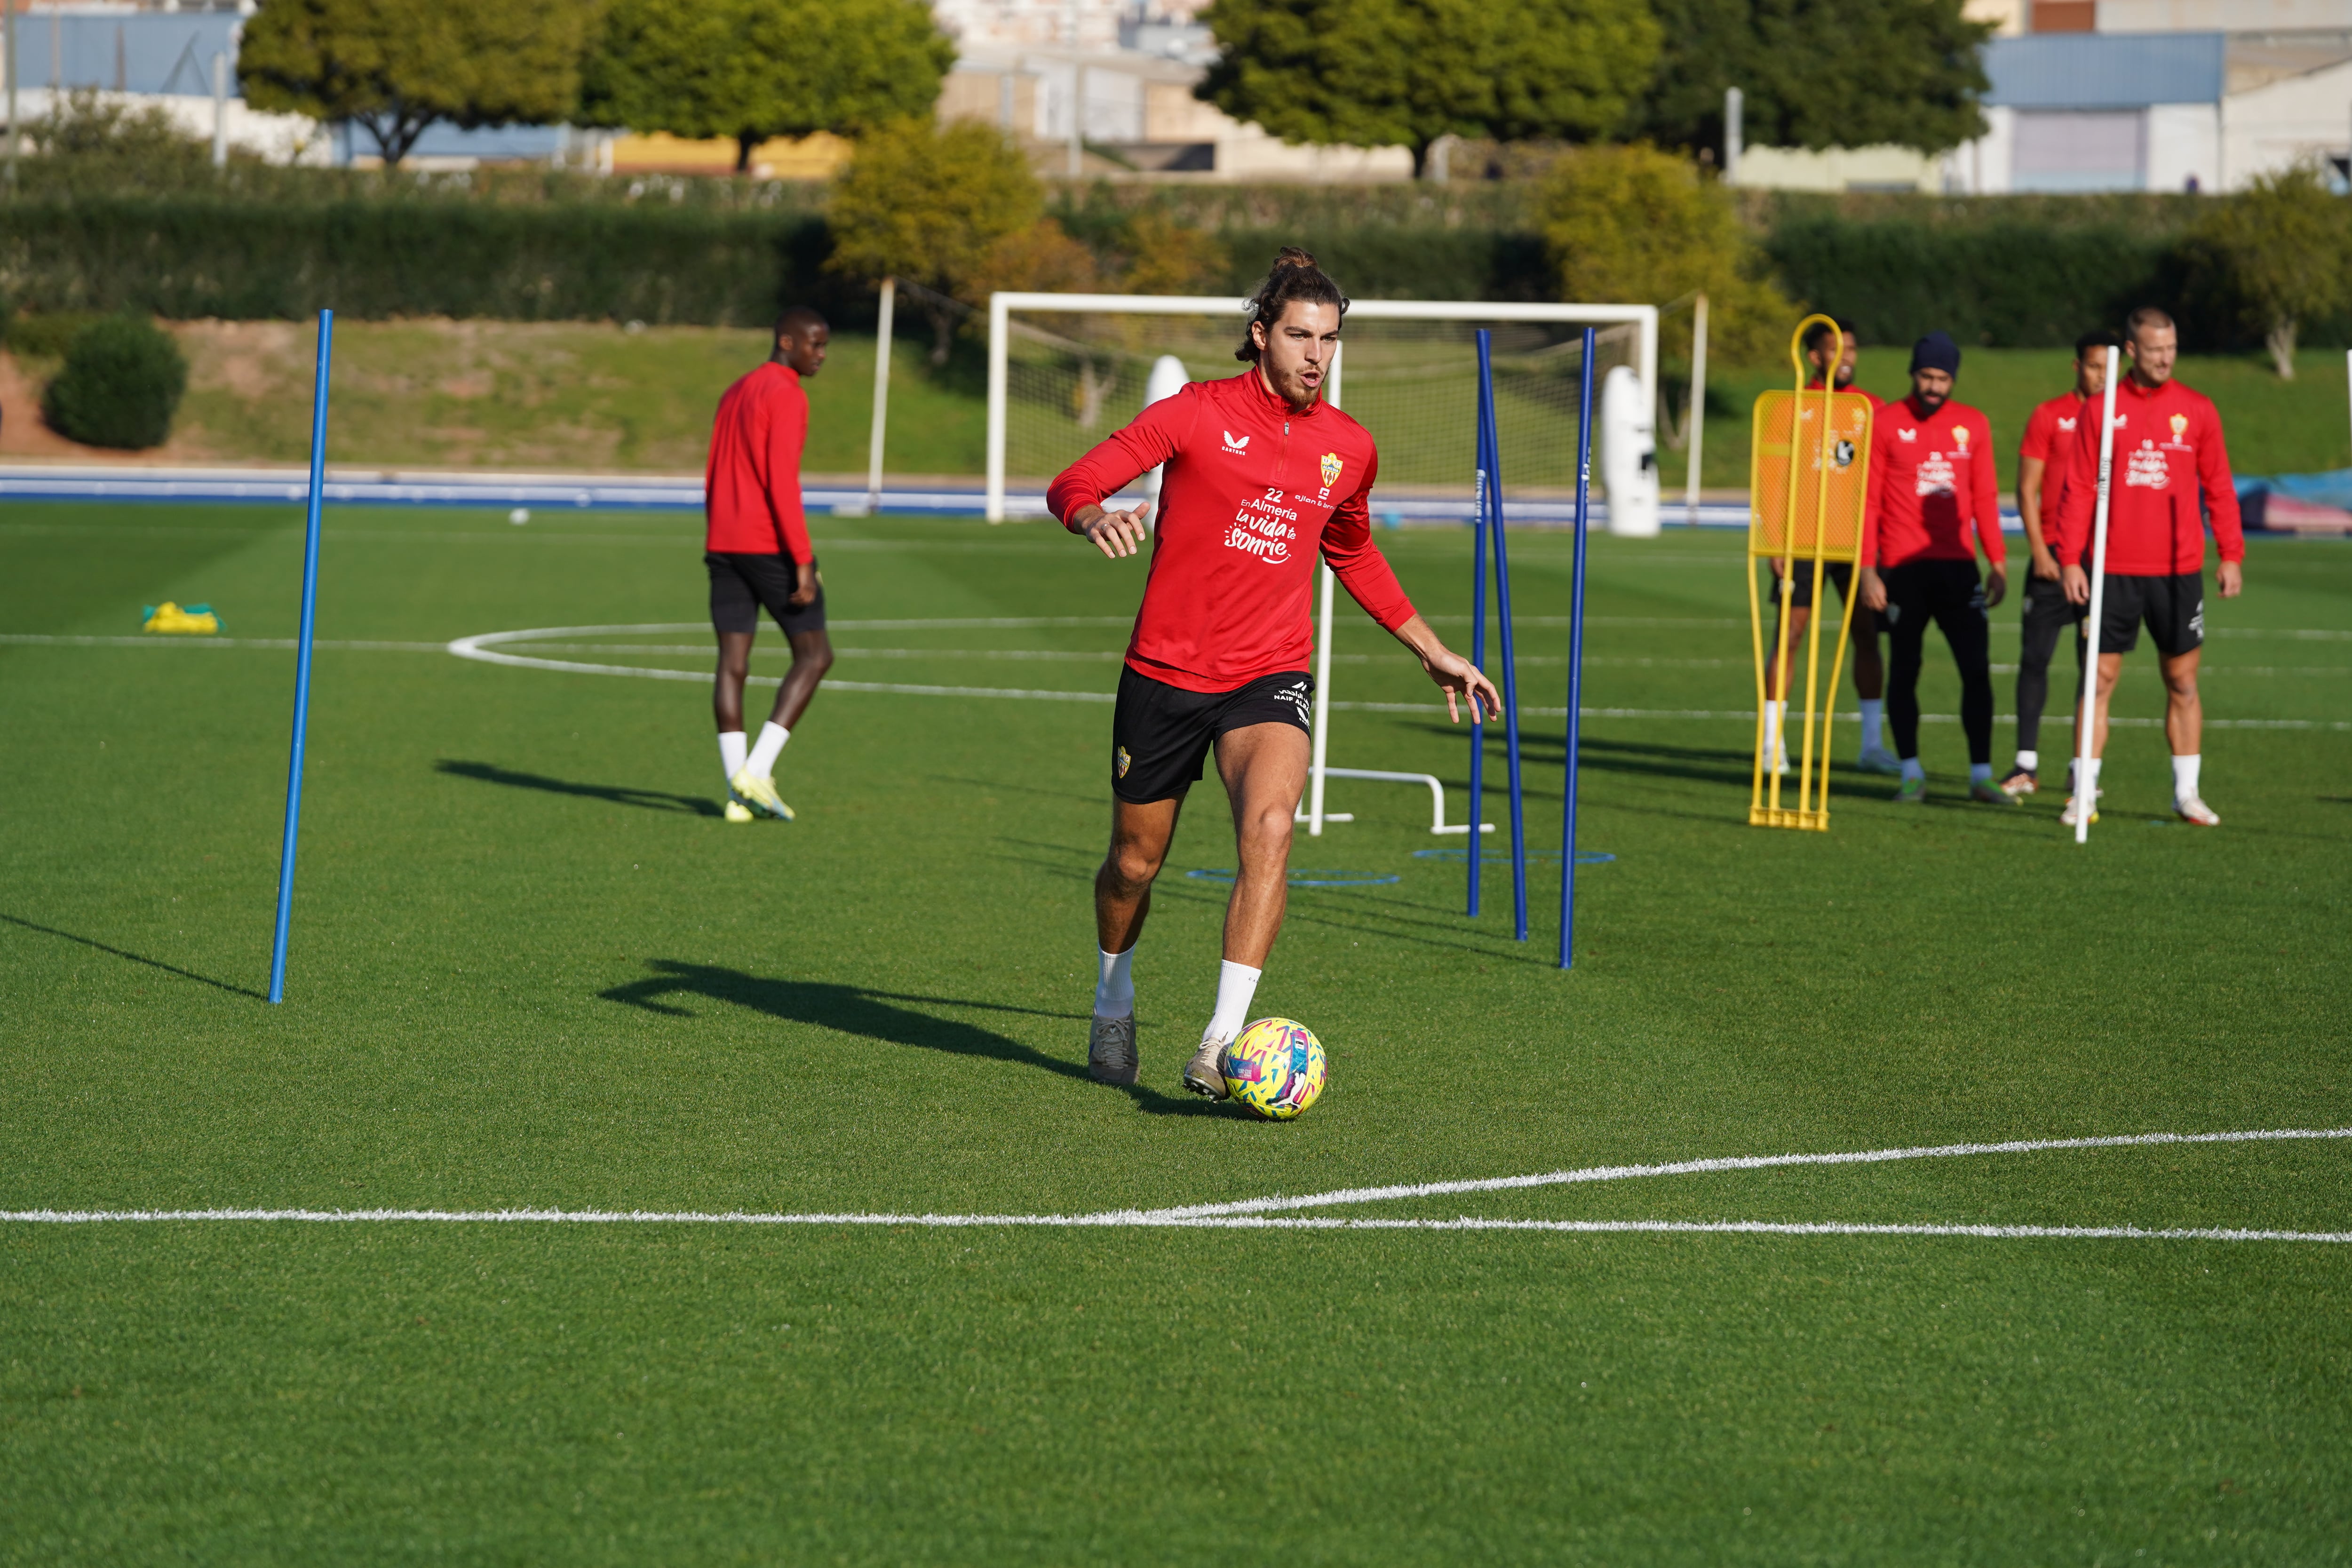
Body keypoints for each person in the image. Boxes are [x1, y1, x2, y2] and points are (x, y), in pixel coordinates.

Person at [1045, 249, 1502, 1098]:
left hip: (1270, 674)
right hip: (1166, 672)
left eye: (1329, 339)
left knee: (1271, 825)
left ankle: (1222, 1043)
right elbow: (1074, 479)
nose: (1315, 355)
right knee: (1133, 867)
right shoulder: (1192, 413)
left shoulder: (1349, 447)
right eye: (1299, 335)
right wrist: (1091, 514)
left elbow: (1353, 550)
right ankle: (1114, 998)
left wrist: (1431, 646)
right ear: (1261, 336)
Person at [2052, 307, 2245, 828]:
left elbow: (2219, 487)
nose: (2165, 358)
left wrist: (2230, 554)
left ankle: (2186, 793)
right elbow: (2076, 489)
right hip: (2109, 570)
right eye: (2155, 349)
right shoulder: (2099, 408)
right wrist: (2068, 559)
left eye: (2172, 348)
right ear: (2131, 351)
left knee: (2181, 681)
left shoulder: (2197, 410)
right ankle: (2083, 793)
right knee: (2098, 679)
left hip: (2176, 571)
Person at [1857, 331, 2009, 804]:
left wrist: (1997, 561)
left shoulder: (1974, 425)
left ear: (1952, 379)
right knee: (1904, 669)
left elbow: (1984, 497)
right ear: (1912, 373)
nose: (1933, 387)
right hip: (1902, 570)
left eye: (1942, 378)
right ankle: (1910, 772)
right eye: (1926, 376)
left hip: (1959, 570)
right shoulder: (1883, 424)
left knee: (1975, 671)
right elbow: (1868, 502)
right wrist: (1867, 570)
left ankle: (1981, 775)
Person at [702, 308, 836, 824]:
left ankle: (738, 795)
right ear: (787, 341)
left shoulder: (735, 390)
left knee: (732, 663)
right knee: (815, 655)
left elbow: (714, 470)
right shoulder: (786, 393)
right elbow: (782, 482)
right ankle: (755, 771)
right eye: (815, 344)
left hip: (724, 542)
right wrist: (802, 560)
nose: (821, 355)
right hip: (767, 545)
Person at [1764, 318, 1899, 776]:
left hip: (1854, 542)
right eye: (1837, 348)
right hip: (1801, 541)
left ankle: (1871, 746)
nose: (1848, 357)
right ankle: (1771, 744)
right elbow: (1773, 479)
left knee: (1865, 638)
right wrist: (1774, 539)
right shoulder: (1789, 408)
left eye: (1853, 349)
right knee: (1790, 635)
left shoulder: (1871, 408)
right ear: (1815, 357)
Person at [2001, 329, 2120, 798]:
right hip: (2051, 561)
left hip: (2099, 564)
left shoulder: (2121, 419)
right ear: (2076, 367)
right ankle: (2024, 764)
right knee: (2034, 659)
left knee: (2092, 668)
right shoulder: (2049, 415)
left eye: (2110, 370)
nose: (2101, 378)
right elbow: (2026, 489)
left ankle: (2080, 769)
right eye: (2093, 367)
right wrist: (2038, 552)